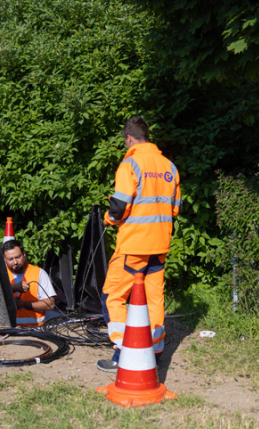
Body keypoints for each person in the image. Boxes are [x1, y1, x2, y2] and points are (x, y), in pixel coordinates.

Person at [97, 116, 181, 372]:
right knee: (153, 300)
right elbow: (174, 209)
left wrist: (109, 218)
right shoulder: (170, 167)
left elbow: (119, 206)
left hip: (134, 246)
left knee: (112, 297)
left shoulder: (129, 164)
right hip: (160, 245)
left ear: (130, 139)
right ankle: (153, 353)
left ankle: (125, 353)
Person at [1, 239, 57, 327]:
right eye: (11, 259)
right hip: (7, 330)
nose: (15, 262)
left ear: (24, 254)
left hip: (36, 329)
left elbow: (50, 304)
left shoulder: (39, 273)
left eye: (18, 257)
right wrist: (13, 288)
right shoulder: (0, 275)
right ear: (4, 259)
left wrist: (24, 304)